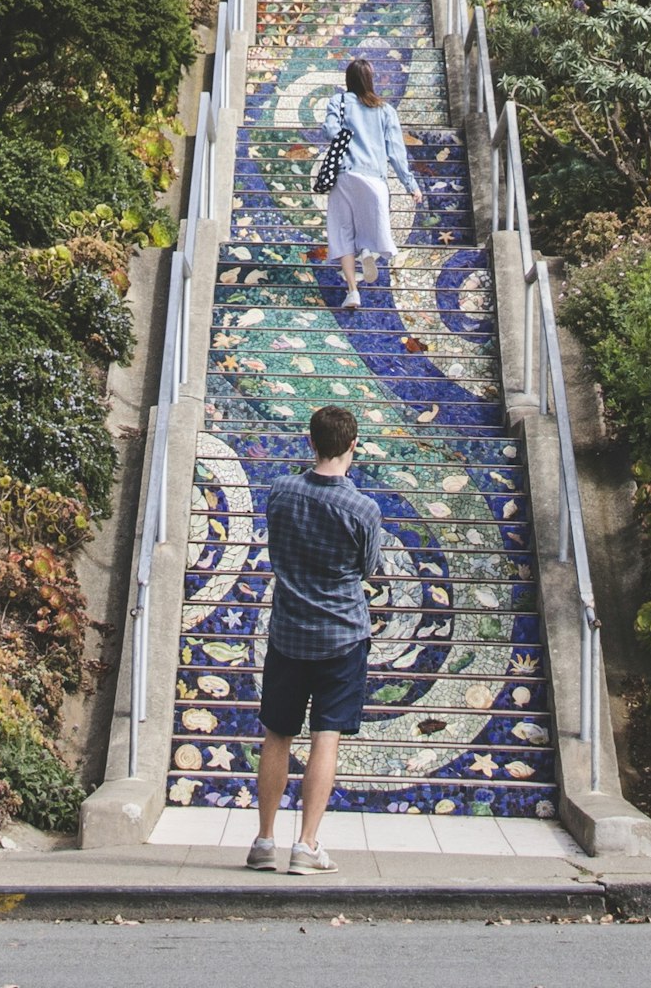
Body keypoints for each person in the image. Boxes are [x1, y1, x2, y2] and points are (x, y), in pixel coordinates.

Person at [247, 402, 384, 873]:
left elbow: (275, 545)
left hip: (288, 631)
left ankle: (264, 839)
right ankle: (306, 845)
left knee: (277, 733)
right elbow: (368, 567)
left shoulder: (282, 492)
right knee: (326, 736)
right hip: (342, 635)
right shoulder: (363, 508)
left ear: (310, 442)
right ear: (352, 446)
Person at [311, 59, 412, 309]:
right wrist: (411, 184)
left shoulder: (339, 101)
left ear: (348, 80)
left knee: (343, 231)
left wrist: (348, 136)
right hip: (374, 179)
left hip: (345, 174)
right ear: (370, 80)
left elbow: (329, 131)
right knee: (368, 222)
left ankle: (352, 291)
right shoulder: (386, 110)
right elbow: (397, 153)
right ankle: (366, 251)